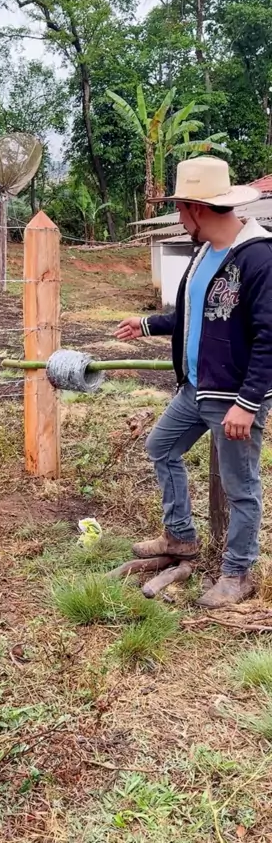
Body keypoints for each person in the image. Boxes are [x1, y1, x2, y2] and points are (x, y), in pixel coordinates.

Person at [117, 156, 272, 608]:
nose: (180, 219)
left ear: (197, 209)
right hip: (195, 388)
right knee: (161, 447)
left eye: (181, 210)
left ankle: (238, 573)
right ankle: (180, 537)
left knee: (241, 488)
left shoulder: (258, 257)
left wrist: (248, 402)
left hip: (233, 398)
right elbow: (191, 316)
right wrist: (147, 324)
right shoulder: (204, 253)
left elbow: (269, 336)